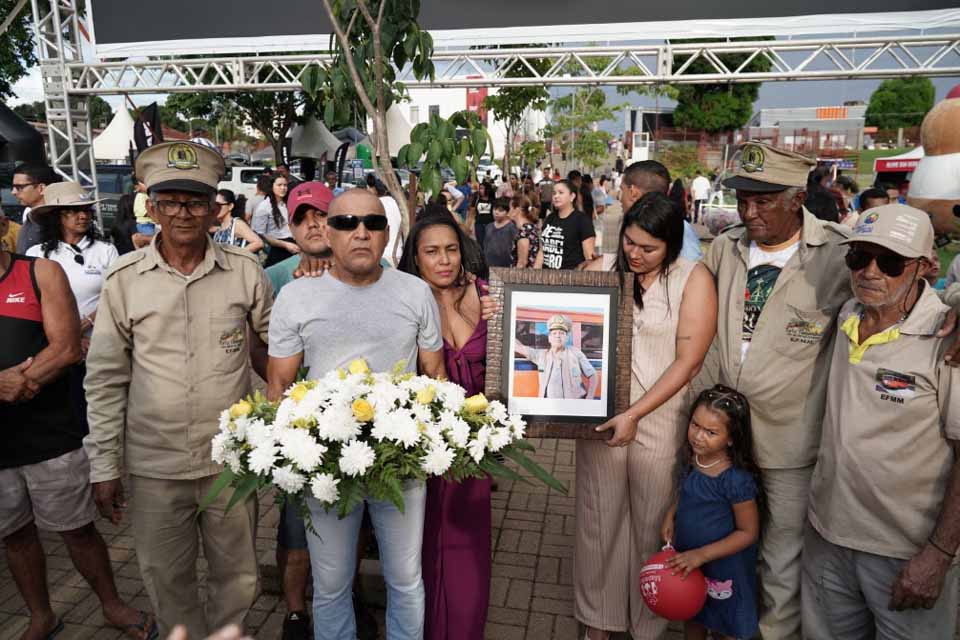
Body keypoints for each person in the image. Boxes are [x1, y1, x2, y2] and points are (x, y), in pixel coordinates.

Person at [84, 141, 272, 638]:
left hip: (229, 461)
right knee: (167, 579)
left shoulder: (246, 272)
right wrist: (104, 466)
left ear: (214, 209)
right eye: (170, 202)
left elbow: (278, 349)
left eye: (195, 202)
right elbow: (104, 378)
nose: (183, 213)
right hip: (155, 465)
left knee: (238, 577)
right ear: (152, 209)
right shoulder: (124, 279)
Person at [267, 188, 445, 640]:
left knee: (405, 578)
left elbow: (435, 376)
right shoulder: (296, 297)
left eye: (373, 223)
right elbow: (278, 386)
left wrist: (435, 442)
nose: (360, 232)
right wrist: (288, 455)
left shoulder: (416, 292)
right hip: (325, 464)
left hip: (401, 460)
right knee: (330, 584)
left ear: (387, 234)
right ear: (328, 232)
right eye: (346, 223)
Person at [697, 141, 853, 639]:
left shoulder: (837, 254)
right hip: (723, 439)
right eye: (743, 199)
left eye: (763, 201)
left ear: (797, 198)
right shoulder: (725, 248)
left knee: (781, 560)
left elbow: (906, 287)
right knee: (719, 545)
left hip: (789, 443)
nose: (749, 212)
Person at [804, 204, 960, 638]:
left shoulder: (947, 340)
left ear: (925, 266)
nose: (870, 272)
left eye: (890, 262)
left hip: (906, 552)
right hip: (828, 537)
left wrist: (939, 554)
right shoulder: (846, 314)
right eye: (859, 257)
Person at [577, 192, 717, 640]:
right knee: (599, 523)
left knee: (652, 527)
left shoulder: (692, 279)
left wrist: (635, 413)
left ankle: (646, 625)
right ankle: (598, 622)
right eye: (630, 242)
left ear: (671, 244)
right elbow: (552, 311)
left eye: (649, 248)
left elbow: (689, 362)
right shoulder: (601, 269)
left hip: (659, 420)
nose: (635, 255)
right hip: (601, 420)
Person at [0, 240, 156, 640]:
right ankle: (41, 616)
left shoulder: (38, 272)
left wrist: (19, 383)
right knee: (14, 536)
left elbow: (68, 348)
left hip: (51, 434)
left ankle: (112, 605)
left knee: (78, 530)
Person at [397, 214, 492, 640]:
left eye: (451, 249)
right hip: (418, 446)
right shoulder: (402, 301)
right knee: (418, 548)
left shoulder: (487, 294)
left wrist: (505, 316)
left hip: (475, 446)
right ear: (415, 259)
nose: (444, 260)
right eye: (432, 251)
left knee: (468, 548)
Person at [662, 385, 764, 640]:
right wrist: (671, 514)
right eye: (695, 425)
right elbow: (686, 491)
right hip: (691, 562)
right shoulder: (693, 458)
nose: (698, 436)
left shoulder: (735, 480)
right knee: (694, 613)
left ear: (731, 438)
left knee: (724, 623)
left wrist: (701, 555)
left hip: (723, 569)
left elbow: (748, 532)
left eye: (711, 432)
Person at [26, 181, 120, 432]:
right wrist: (68, 339)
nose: (83, 216)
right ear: (56, 217)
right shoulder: (37, 254)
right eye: (73, 211)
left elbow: (117, 298)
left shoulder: (106, 251)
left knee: (99, 417)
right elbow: (32, 304)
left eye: (86, 210)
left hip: (97, 348)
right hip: (50, 352)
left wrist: (83, 327)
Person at [618, 160, 702, 263]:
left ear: (633, 192)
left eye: (622, 190)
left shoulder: (677, 227)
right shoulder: (632, 224)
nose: (619, 198)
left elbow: (691, 267)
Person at [513, 314, 598, 399]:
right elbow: (518, 347)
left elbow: (593, 375)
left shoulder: (576, 353)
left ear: (567, 338)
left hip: (574, 404)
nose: (558, 336)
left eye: (561, 333)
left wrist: (589, 397)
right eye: (554, 333)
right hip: (548, 405)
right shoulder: (541, 355)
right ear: (549, 338)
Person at [541, 179, 596, 270]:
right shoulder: (550, 218)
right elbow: (542, 251)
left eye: (561, 193)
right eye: (554, 193)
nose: (556, 196)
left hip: (570, 275)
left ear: (572, 196)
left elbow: (589, 258)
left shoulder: (582, 220)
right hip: (546, 275)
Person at [253, 172, 298, 267]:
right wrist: (285, 245)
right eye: (279, 185)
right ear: (271, 186)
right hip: (276, 249)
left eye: (285, 185)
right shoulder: (264, 206)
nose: (283, 188)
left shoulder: (286, 203)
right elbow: (260, 234)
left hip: (293, 246)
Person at [12, 164, 56, 253]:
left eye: (19, 187)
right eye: (13, 187)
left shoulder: (58, 221)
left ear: (41, 188)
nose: (13, 192)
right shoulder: (29, 216)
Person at [483, 197, 518, 268]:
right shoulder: (489, 226)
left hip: (506, 265)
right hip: (489, 264)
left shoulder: (512, 227)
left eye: (501, 210)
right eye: (495, 209)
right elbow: (485, 245)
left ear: (508, 212)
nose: (496, 212)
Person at [510, 194, 543, 269]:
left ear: (517, 210)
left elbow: (522, 262)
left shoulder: (524, 232)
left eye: (510, 208)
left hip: (524, 274)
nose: (509, 212)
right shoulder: (531, 228)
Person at [467, 181, 495, 250]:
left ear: (487, 189)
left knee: (490, 243)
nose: (480, 190)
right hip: (479, 224)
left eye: (482, 188)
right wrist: (468, 226)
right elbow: (471, 213)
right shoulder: (477, 199)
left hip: (490, 224)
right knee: (480, 243)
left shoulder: (493, 200)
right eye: (480, 188)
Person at [133, 174, 155, 238]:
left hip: (151, 223)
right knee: (150, 241)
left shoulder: (148, 194)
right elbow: (144, 212)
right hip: (145, 224)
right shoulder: (140, 195)